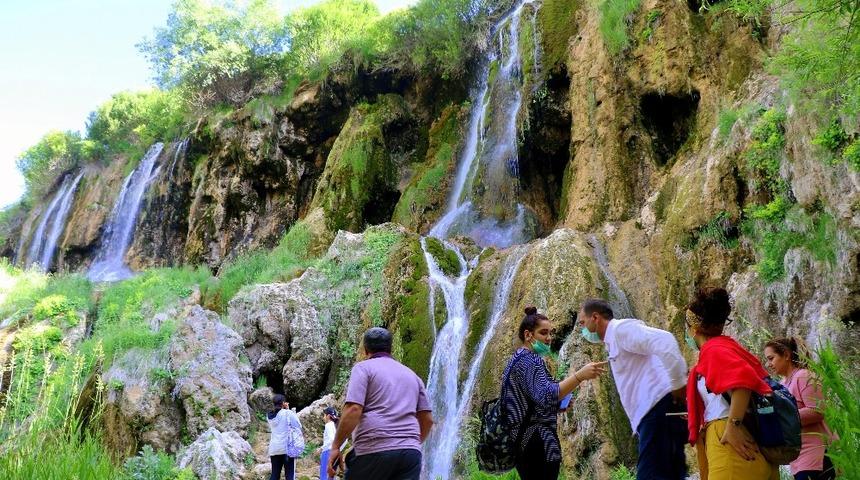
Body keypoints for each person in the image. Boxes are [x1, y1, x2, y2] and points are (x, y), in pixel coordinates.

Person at [579, 299, 688, 480]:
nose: (583, 330)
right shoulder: (613, 340)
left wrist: (678, 384)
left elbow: (664, 340)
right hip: (653, 413)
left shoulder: (621, 330)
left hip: (657, 409)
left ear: (595, 317)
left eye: (583, 323)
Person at [684, 287, 779, 480]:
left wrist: (733, 426)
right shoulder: (726, 346)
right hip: (742, 439)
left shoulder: (713, 349)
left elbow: (743, 381)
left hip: (729, 442)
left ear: (694, 329)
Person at [505, 306, 607, 480]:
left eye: (550, 333)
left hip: (523, 443)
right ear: (528, 335)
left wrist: (558, 405)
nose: (549, 338)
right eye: (544, 333)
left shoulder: (518, 358)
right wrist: (579, 376)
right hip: (537, 444)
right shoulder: (530, 361)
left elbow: (530, 400)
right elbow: (546, 394)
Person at [327, 327, 434, 480]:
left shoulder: (363, 368)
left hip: (374, 450)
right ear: (391, 348)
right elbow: (428, 419)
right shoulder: (412, 375)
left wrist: (336, 446)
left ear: (365, 350)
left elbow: (354, 409)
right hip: (410, 455)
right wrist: (411, 443)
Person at [764, 337, 835, 480]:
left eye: (771, 358)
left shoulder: (803, 376)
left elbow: (817, 411)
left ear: (786, 355)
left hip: (815, 454)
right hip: (798, 457)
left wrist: (783, 419)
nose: (768, 364)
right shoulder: (782, 383)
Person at [267, 394, 302, 480]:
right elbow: (298, 425)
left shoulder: (269, 416)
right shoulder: (287, 413)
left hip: (274, 449)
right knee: (289, 475)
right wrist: (288, 409)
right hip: (287, 449)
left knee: (274, 475)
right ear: (283, 403)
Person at [319, 406, 341, 480]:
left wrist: (321, 448)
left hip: (328, 451)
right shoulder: (334, 425)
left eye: (324, 415)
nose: (323, 417)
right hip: (335, 452)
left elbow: (331, 439)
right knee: (331, 476)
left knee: (324, 475)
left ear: (328, 416)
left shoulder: (328, 425)